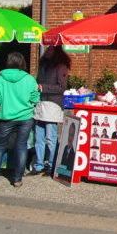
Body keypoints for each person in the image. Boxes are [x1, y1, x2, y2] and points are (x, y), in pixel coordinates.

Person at [0, 52, 40, 188]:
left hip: (6, 118)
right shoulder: (29, 79)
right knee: (21, 146)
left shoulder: (0, 79)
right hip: (25, 117)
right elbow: (35, 98)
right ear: (22, 63)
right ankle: (17, 179)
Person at [29, 46, 70, 176]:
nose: (47, 50)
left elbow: (61, 87)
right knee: (39, 137)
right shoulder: (43, 65)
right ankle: (39, 165)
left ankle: (52, 164)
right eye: (47, 49)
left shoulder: (60, 66)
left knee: (51, 137)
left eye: (50, 49)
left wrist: (43, 87)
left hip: (53, 104)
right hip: (41, 103)